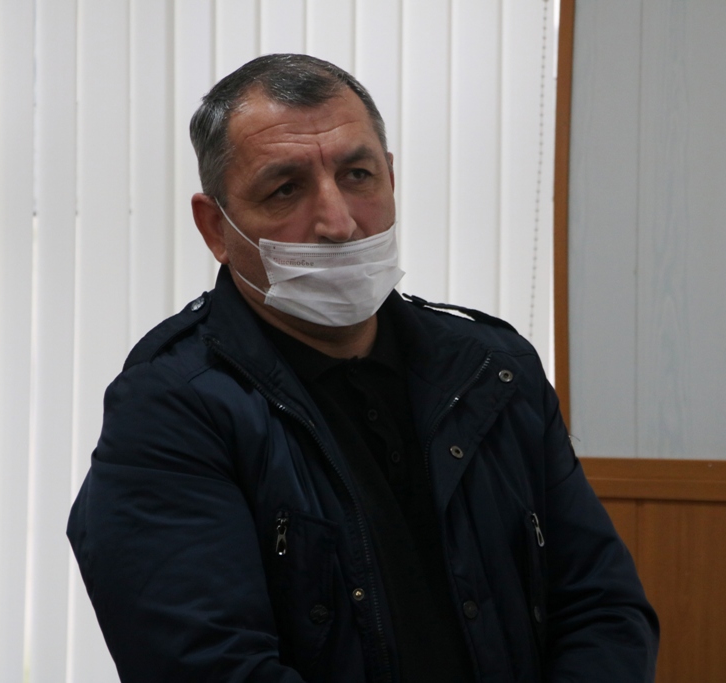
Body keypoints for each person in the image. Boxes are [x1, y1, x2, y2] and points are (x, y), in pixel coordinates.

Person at [67, 53, 658, 683]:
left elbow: (603, 609)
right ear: (216, 227)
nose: (339, 222)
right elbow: (208, 665)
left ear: (391, 179)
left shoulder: (494, 370)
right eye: (286, 188)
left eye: (357, 175)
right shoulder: (170, 408)